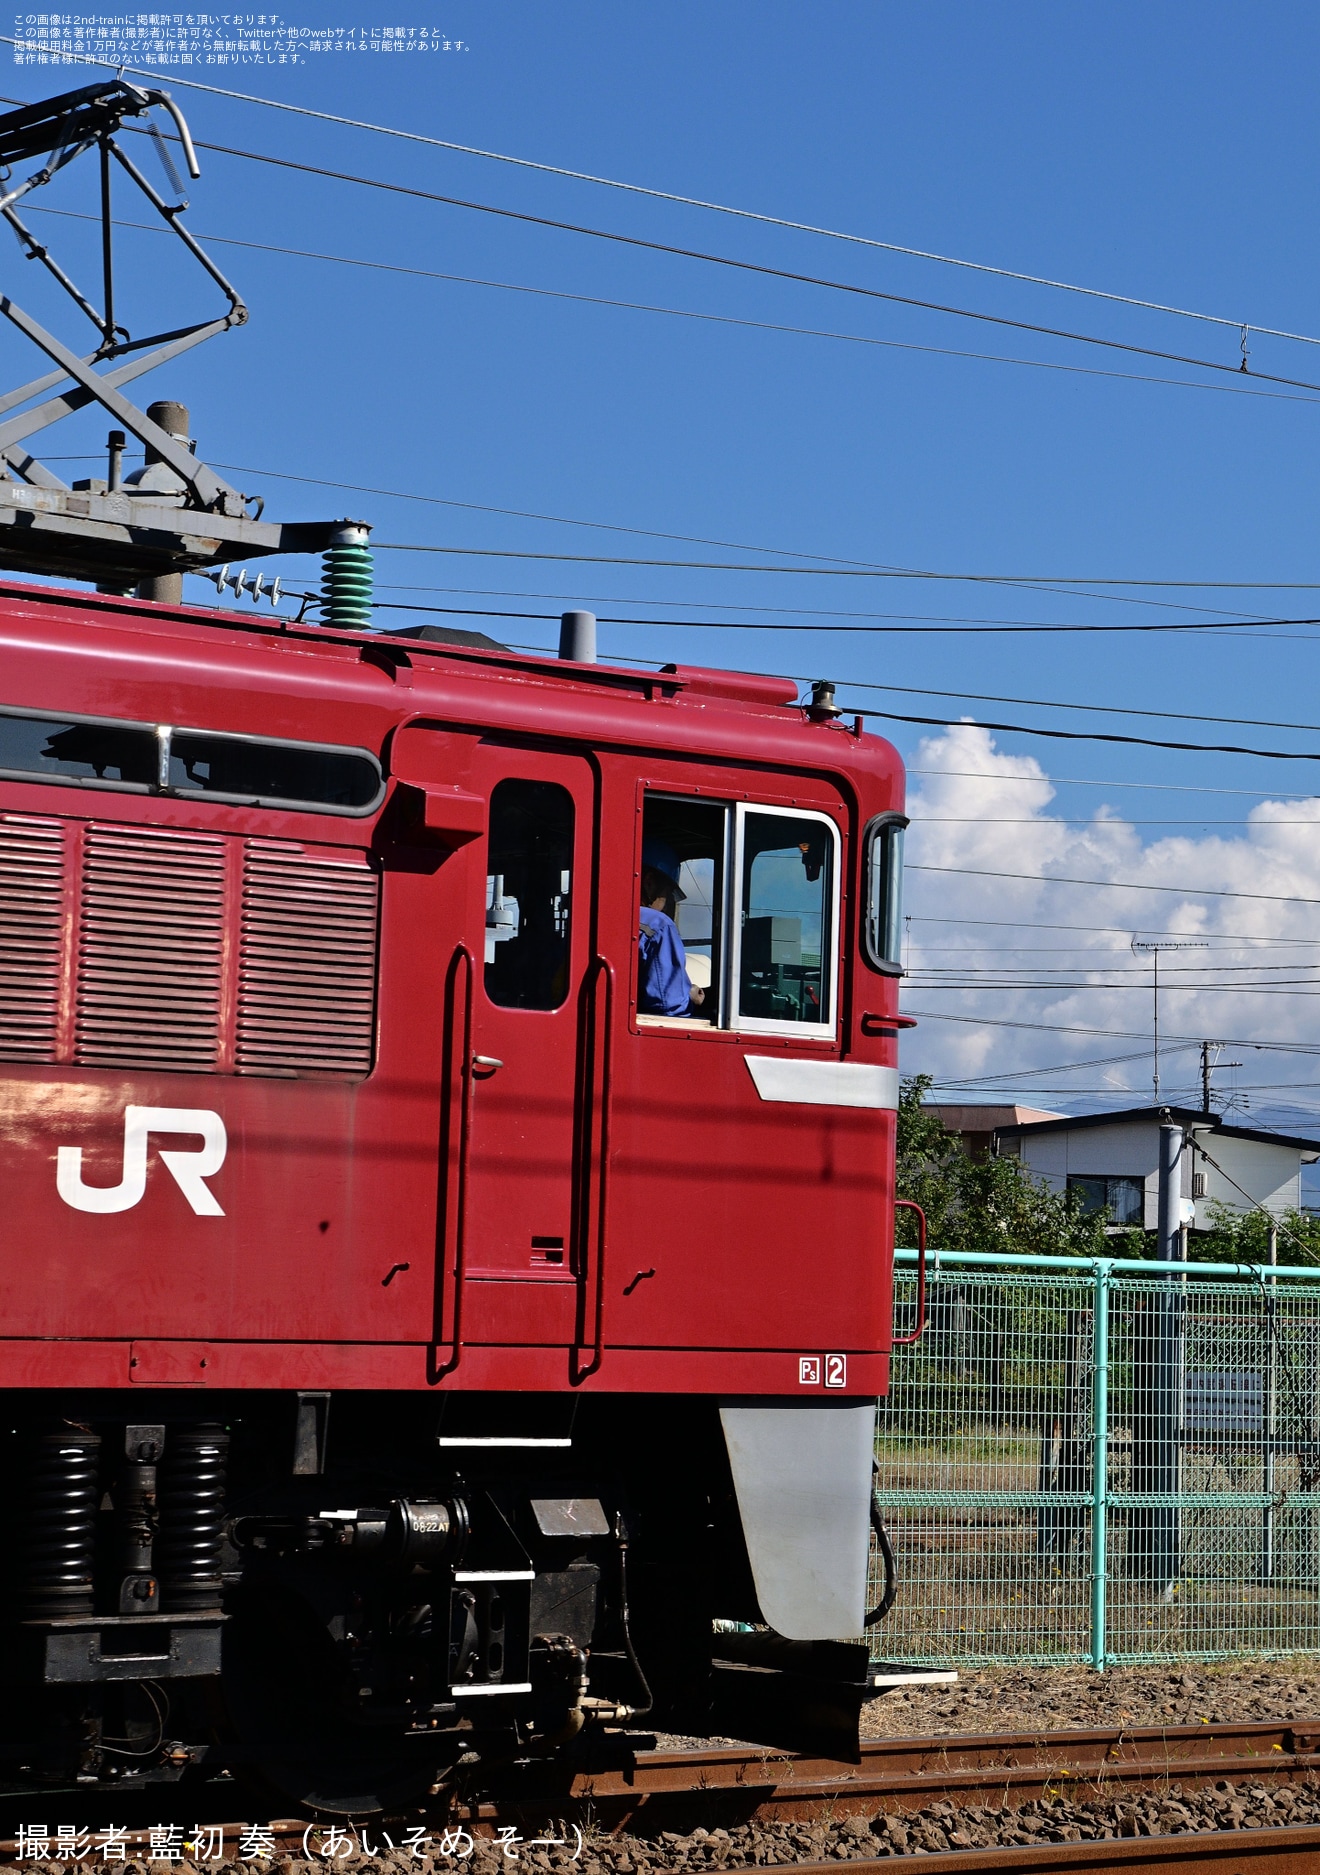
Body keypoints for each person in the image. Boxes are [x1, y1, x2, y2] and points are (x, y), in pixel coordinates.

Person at [638, 839, 705, 1017]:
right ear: (649, 882)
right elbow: (667, 1005)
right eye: (667, 893)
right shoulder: (658, 926)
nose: (668, 903)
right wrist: (690, 997)